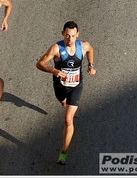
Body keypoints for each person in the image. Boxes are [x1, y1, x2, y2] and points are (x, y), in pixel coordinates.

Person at [35, 21, 96, 165]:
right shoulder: (56, 49)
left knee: (68, 119)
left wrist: (91, 65)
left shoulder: (83, 46)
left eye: (73, 36)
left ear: (78, 35)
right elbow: (39, 64)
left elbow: (90, 50)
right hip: (60, 87)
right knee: (63, 101)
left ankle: (63, 153)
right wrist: (53, 70)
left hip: (76, 86)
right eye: (67, 36)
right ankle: (65, 102)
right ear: (62, 33)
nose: (70, 40)